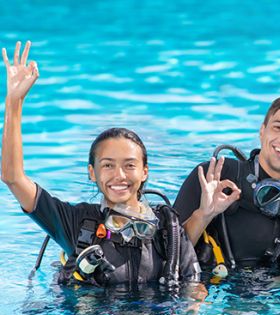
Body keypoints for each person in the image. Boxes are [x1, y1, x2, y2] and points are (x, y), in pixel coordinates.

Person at [1, 41, 201, 287]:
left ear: (145, 171)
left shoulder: (166, 227)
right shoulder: (78, 223)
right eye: (107, 165)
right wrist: (13, 103)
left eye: (129, 165)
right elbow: (13, 177)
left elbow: (194, 286)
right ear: (92, 173)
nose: (119, 175)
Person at [174, 97, 280, 276]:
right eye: (278, 127)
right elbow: (166, 255)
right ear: (262, 131)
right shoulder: (215, 176)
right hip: (204, 293)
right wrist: (204, 214)